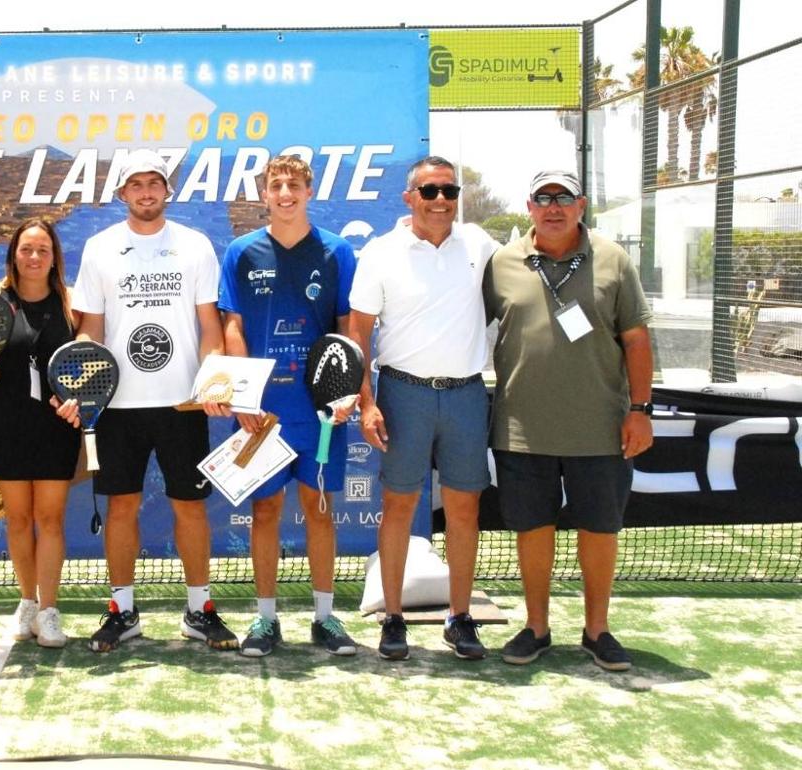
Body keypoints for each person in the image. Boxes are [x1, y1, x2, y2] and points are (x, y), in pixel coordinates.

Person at [66, 148, 237, 652]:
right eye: (136, 184)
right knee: (122, 506)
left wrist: (214, 381)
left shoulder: (195, 246)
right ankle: (122, 611)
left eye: (154, 183)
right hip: (117, 406)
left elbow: (210, 327)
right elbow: (90, 330)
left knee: (191, 507)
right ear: (123, 193)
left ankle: (199, 610)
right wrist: (82, 386)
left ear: (167, 190)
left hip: (183, 404)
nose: (146, 192)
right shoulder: (99, 248)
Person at [483, 170, 653, 672]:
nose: (553, 207)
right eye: (543, 198)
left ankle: (597, 630)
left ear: (581, 206)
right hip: (522, 428)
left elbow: (637, 340)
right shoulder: (502, 263)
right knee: (533, 529)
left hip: (600, 428)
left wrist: (640, 411)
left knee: (599, 529)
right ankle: (536, 627)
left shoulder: (614, 260)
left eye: (564, 198)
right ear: (529, 206)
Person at [348, 155, 498, 662]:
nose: (440, 201)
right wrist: (367, 403)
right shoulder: (381, 252)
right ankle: (393, 618)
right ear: (409, 197)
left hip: (466, 395)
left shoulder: (479, 245)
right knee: (398, 506)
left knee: (464, 509)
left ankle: (460, 618)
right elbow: (358, 333)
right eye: (429, 191)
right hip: (402, 394)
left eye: (449, 191)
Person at [217, 155, 359, 657]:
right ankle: (265, 619)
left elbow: (347, 326)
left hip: (319, 411)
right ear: (264, 194)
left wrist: (346, 389)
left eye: (294, 185)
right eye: (276, 185)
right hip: (262, 411)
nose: (285, 193)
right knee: (265, 510)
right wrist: (242, 395)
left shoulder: (337, 251)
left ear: (308, 191)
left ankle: (325, 618)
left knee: (319, 509)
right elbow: (232, 325)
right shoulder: (241, 252)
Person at [0, 219, 81, 648]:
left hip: (56, 428)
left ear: (54, 257)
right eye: (26, 249)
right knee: (18, 519)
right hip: (6, 423)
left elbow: (86, 362)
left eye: (42, 250)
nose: (34, 257)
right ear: (13, 255)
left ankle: (50, 611)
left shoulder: (72, 303)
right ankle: (27, 602)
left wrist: (77, 398)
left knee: (50, 519)